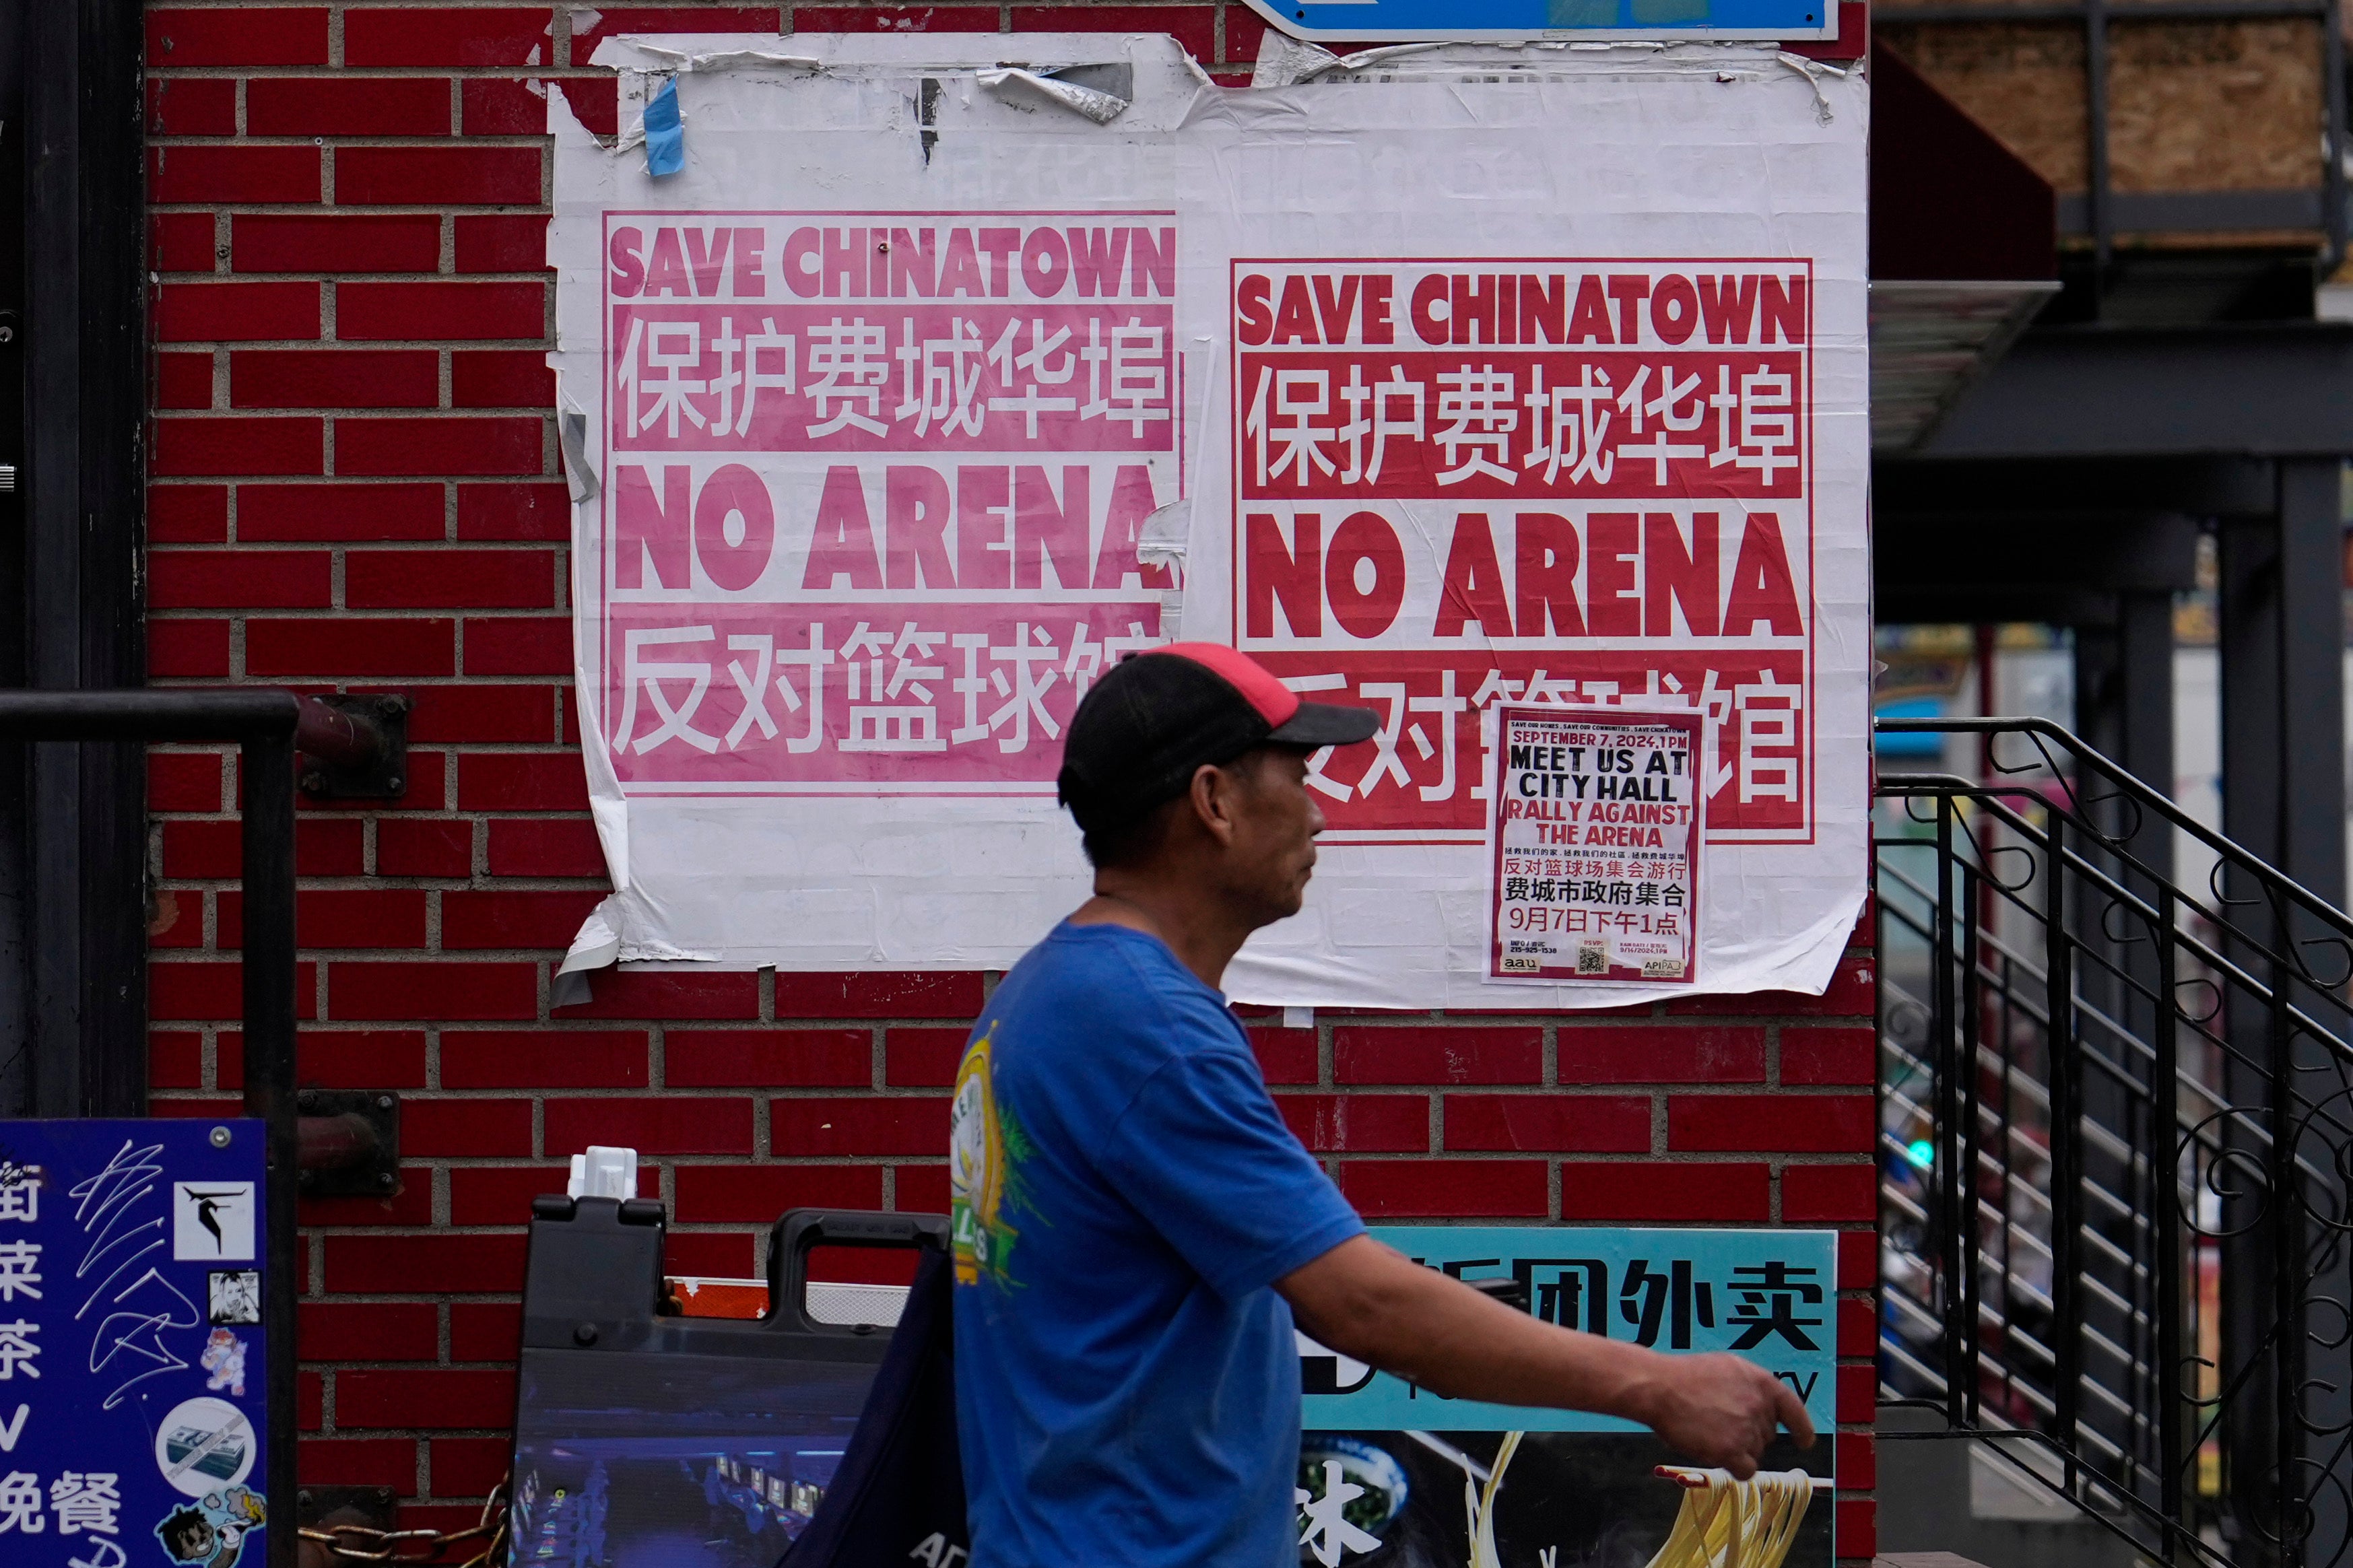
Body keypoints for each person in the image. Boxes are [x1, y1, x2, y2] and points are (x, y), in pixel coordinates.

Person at [948, 642, 1813, 1568]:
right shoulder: (1143, 1025)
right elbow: (1360, 1304)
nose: (1319, 813)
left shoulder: (1045, 996)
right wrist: (1657, 1384)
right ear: (1214, 800)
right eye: (1298, 776)